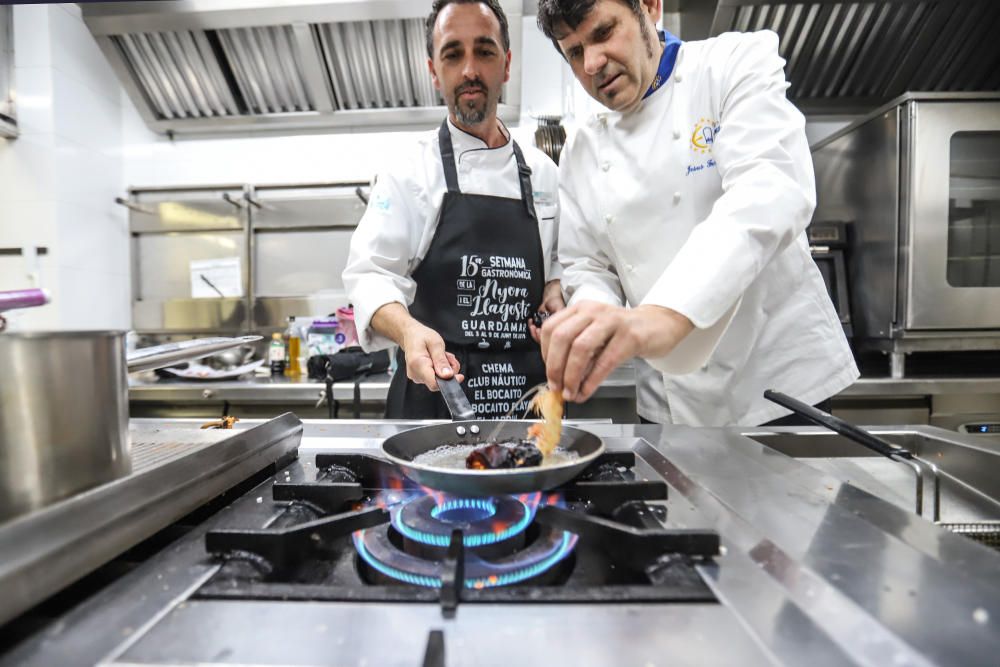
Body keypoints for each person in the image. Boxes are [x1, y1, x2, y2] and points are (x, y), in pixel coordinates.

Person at [534, 0, 859, 426]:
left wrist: (666, 316)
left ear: (649, 7)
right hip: (668, 406)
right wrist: (593, 315)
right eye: (574, 52)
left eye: (604, 32)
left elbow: (768, 190)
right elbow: (590, 266)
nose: (592, 63)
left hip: (779, 389)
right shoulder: (582, 149)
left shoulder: (731, 66)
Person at [343, 0, 564, 419]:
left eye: (484, 51)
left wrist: (559, 287)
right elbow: (370, 274)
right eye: (452, 54)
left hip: (528, 414)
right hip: (433, 412)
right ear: (433, 71)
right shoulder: (408, 172)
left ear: (507, 64)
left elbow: (565, 267)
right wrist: (407, 330)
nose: (469, 71)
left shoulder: (545, 174)